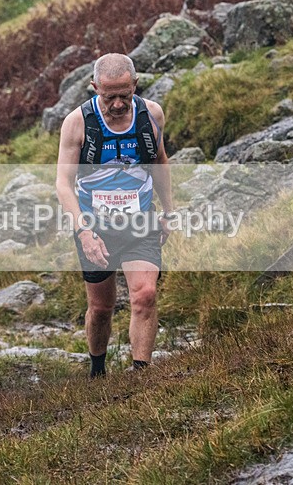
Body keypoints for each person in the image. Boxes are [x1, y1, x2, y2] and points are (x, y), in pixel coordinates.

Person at [55, 53, 174, 378]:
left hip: (140, 221)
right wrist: (84, 232)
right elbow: (63, 183)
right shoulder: (78, 123)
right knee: (101, 308)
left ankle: (141, 375)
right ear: (95, 88)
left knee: (145, 295)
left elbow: (159, 161)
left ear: (135, 84)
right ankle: (97, 369)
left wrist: (169, 212)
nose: (118, 104)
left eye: (125, 95)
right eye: (109, 97)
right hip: (95, 227)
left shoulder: (151, 115)